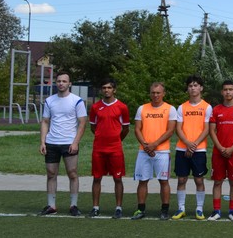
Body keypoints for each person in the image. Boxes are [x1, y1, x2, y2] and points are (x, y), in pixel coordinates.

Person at [38, 72, 88, 216]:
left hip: (69, 143)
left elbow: (82, 123)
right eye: (59, 81)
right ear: (56, 83)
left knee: (72, 173)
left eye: (64, 81)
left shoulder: (77, 101)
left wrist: (75, 142)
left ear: (69, 84)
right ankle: (51, 206)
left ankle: (73, 205)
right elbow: (45, 121)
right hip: (52, 142)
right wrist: (43, 142)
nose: (61, 83)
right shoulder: (49, 101)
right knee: (51, 174)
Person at [132, 82, 178, 220]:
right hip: (144, 151)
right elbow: (137, 129)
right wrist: (146, 146)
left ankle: (164, 211)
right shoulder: (142, 108)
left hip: (162, 152)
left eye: (158, 92)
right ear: (150, 93)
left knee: (163, 181)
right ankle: (140, 210)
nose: (156, 95)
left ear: (163, 94)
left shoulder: (170, 109)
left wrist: (155, 144)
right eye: (153, 92)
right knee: (142, 181)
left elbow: (170, 131)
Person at [88, 78, 130, 219]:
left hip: (115, 149)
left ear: (114, 90)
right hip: (98, 149)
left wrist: (116, 139)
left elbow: (126, 129)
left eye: (109, 87)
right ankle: (95, 207)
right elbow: (93, 127)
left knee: (117, 178)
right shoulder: (95, 107)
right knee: (97, 178)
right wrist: (102, 137)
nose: (106, 90)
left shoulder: (122, 107)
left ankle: (118, 208)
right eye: (104, 87)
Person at [171, 75, 210, 220]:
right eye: (190, 86)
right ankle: (181, 208)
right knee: (181, 180)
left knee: (199, 180)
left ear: (201, 88)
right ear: (187, 89)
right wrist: (187, 143)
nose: (193, 88)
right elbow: (178, 128)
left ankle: (199, 209)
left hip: (199, 149)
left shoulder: (207, 107)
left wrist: (194, 145)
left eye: (195, 85)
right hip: (182, 148)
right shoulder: (182, 107)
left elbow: (207, 129)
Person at [208, 80, 233, 221]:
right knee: (217, 181)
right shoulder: (216, 109)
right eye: (225, 89)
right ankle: (216, 211)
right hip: (218, 152)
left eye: (230, 89)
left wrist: (232, 148)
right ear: (222, 92)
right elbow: (212, 131)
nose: (228, 92)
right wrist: (220, 147)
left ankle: (232, 211)